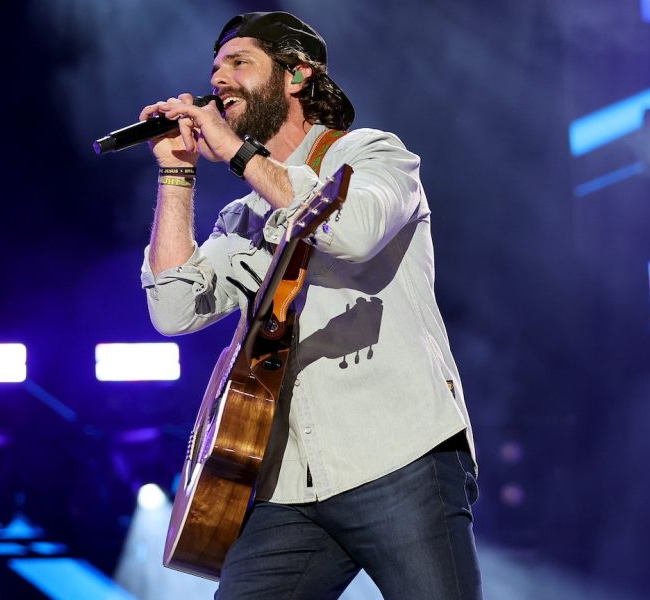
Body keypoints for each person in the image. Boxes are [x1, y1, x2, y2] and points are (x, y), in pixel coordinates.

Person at [139, 11, 482, 600]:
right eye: (215, 68)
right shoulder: (242, 219)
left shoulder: (373, 155)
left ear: (297, 76)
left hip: (400, 457)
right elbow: (173, 311)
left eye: (238, 63)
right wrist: (176, 175)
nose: (218, 80)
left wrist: (241, 155)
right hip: (288, 484)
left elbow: (350, 233)